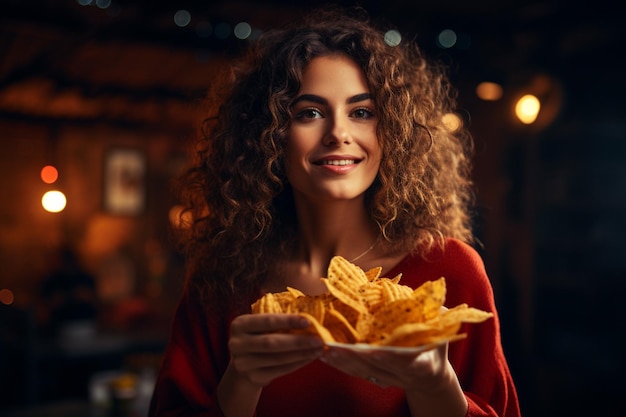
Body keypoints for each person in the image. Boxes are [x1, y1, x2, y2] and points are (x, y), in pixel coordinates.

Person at [149, 7, 520, 417]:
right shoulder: (219, 280)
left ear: (392, 131)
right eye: (309, 113)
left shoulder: (450, 269)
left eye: (362, 112)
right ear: (267, 136)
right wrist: (240, 384)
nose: (339, 133)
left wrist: (437, 386)